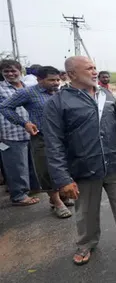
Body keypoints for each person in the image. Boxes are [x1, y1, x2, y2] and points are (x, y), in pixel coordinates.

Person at [42, 56, 116, 266]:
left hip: (115, 164)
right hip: (84, 168)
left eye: (95, 67)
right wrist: (62, 179)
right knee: (86, 213)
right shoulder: (58, 102)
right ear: (72, 74)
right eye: (89, 68)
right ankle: (86, 245)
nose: (95, 72)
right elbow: (53, 143)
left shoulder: (105, 94)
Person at [0, 66, 73, 218]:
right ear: (39, 79)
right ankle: (56, 202)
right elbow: (5, 107)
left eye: (58, 79)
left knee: (64, 166)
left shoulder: (61, 92)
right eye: (51, 80)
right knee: (46, 170)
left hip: (62, 137)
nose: (56, 83)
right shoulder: (28, 92)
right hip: (42, 137)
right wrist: (24, 123)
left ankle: (63, 196)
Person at [0, 59, 40, 206]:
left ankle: (33, 188)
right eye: (6, 71)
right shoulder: (1, 89)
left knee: (31, 163)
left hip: (31, 132)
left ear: (20, 71)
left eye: (13, 71)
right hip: (9, 133)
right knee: (16, 166)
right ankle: (19, 196)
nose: (10, 74)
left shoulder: (27, 87)